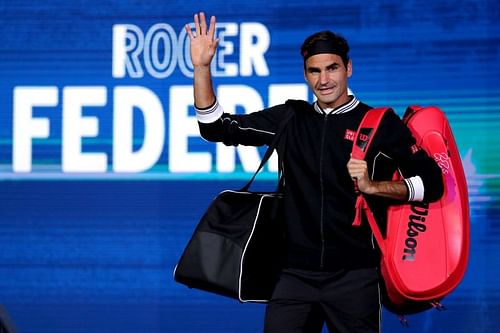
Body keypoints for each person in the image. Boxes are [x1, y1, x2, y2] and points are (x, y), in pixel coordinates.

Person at [185, 12, 444, 333]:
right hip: (295, 276)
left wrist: (374, 187)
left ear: (348, 69)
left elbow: (432, 183)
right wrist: (201, 68)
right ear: (306, 75)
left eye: (332, 68)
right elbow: (215, 128)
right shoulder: (290, 118)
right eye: (315, 71)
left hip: (356, 276)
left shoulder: (381, 123)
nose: (324, 79)